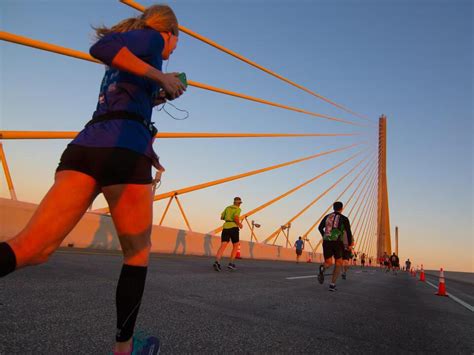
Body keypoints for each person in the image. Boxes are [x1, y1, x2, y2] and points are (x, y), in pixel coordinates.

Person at [0, 5, 186, 354]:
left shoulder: (134, 54)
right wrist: (161, 77)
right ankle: (125, 349)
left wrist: (155, 93)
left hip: (86, 147)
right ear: (169, 31)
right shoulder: (148, 38)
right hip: (124, 151)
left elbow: (121, 91)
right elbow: (99, 49)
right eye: (177, 42)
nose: (175, 49)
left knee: (32, 249)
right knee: (137, 252)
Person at [317, 201, 353, 291]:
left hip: (326, 242)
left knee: (328, 262)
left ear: (333, 208)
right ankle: (332, 285)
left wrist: (324, 236)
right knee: (338, 263)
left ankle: (323, 267)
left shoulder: (327, 216)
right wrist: (350, 244)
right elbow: (348, 232)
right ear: (342, 208)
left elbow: (320, 227)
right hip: (337, 242)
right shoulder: (344, 218)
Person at [213, 197, 243, 271]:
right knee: (236, 245)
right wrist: (239, 224)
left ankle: (217, 262)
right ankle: (231, 264)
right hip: (233, 228)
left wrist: (228, 218)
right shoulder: (238, 209)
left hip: (226, 227)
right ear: (239, 203)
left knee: (223, 245)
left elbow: (222, 217)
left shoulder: (227, 208)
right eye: (240, 203)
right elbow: (236, 217)